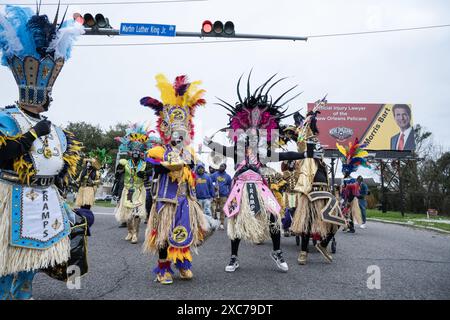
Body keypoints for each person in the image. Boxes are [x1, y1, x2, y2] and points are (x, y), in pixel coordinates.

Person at [0, 5, 84, 299]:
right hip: (12, 198)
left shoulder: (56, 128)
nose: (44, 96)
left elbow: (61, 167)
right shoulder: (6, 118)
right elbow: (3, 154)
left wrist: (66, 199)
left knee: (29, 265)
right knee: (6, 264)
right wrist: (34, 134)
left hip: (43, 202)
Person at [204, 73, 318, 273]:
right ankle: (233, 257)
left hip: (260, 187)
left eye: (256, 134)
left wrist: (307, 152)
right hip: (239, 189)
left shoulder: (263, 154)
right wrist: (209, 143)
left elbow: (286, 155)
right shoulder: (237, 152)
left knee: (273, 215)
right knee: (236, 219)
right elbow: (222, 149)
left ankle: (277, 251)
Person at [141, 74, 211, 285]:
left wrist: (192, 167)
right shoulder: (159, 149)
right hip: (166, 201)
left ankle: (182, 263)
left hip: (186, 201)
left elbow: (196, 172)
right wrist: (166, 165)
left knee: (186, 232)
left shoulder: (189, 152)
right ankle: (163, 269)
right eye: (175, 131)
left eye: (183, 130)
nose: (179, 135)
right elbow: (151, 165)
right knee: (163, 235)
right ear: (166, 130)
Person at [288, 100, 347, 265]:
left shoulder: (320, 152)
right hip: (310, 190)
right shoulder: (304, 147)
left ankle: (323, 244)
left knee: (338, 220)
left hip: (325, 190)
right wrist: (310, 116)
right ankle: (303, 252)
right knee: (307, 222)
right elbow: (300, 139)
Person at [114, 123, 160, 244]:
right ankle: (130, 231)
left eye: (138, 151)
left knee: (137, 214)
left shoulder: (146, 163)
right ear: (129, 151)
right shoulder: (125, 162)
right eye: (133, 150)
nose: (135, 153)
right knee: (128, 214)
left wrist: (144, 174)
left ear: (141, 152)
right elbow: (118, 174)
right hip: (128, 190)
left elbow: (154, 170)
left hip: (140, 191)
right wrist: (119, 170)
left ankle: (135, 234)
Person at [336, 138, 370, 233]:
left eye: (344, 171)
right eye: (343, 171)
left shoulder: (351, 180)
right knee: (345, 213)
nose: (343, 172)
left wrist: (347, 199)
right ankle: (347, 226)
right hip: (345, 199)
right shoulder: (345, 179)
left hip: (349, 199)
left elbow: (352, 191)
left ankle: (350, 227)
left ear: (347, 171)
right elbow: (343, 189)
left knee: (348, 213)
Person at [211, 163, 232, 230]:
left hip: (223, 196)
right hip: (215, 195)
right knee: (213, 209)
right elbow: (210, 182)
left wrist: (228, 193)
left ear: (225, 168)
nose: (221, 167)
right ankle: (213, 223)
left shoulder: (228, 176)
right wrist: (213, 187)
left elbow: (230, 185)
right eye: (220, 166)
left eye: (222, 166)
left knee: (222, 210)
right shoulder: (214, 175)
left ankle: (222, 223)